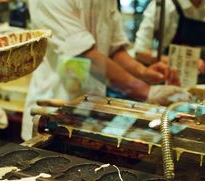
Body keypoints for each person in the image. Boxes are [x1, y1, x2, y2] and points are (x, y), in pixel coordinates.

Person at [21, 0, 188, 141]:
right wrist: (147, 91)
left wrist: (143, 72)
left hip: (91, 114)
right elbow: (85, 56)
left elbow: (115, 50)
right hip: (52, 115)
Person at [135, 0, 205, 83]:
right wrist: (187, 62)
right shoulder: (164, 5)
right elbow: (140, 52)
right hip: (169, 79)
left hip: (204, 80)